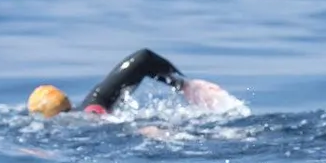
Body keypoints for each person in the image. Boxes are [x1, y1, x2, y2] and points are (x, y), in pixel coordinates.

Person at [26, 48, 227, 118]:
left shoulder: (60, 127)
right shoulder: (94, 104)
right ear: (66, 100)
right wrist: (184, 85)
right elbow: (143, 57)